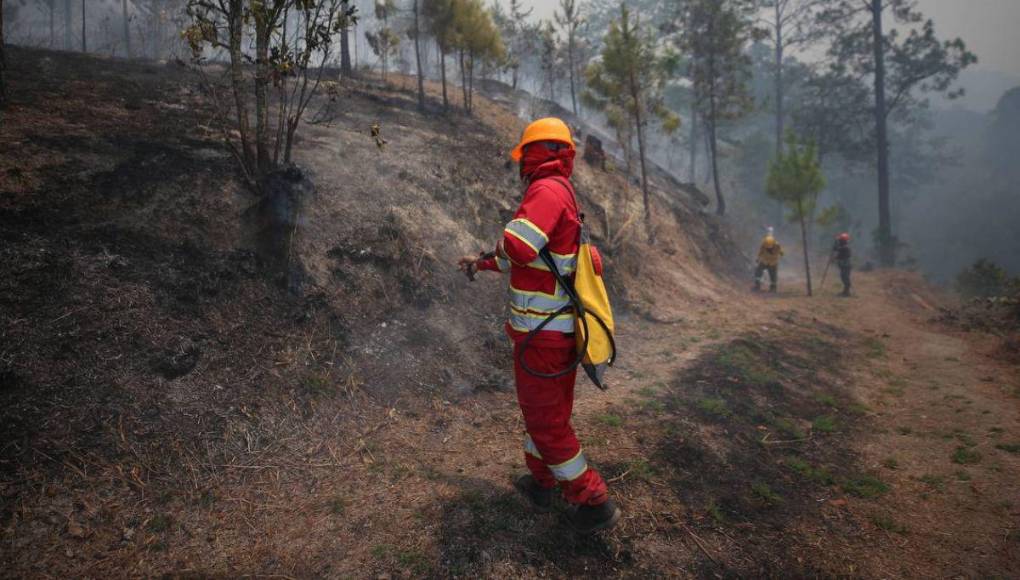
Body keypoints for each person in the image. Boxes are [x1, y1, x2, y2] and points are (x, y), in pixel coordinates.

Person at [457, 118, 620, 533]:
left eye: (523, 155)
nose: (520, 164)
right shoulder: (556, 189)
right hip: (547, 334)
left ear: (535, 153)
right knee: (545, 414)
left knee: (547, 422)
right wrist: (482, 262)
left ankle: (593, 500)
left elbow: (519, 245)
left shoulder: (545, 191)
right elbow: (525, 256)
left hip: (544, 337)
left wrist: (502, 240)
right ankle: (542, 482)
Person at [833, 232, 852, 297]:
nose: (840, 241)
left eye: (840, 240)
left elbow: (836, 249)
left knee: (845, 278)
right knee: (843, 277)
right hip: (844, 265)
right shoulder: (843, 247)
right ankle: (845, 292)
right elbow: (837, 250)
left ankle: (846, 292)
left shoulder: (845, 248)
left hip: (846, 265)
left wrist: (835, 242)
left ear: (843, 241)